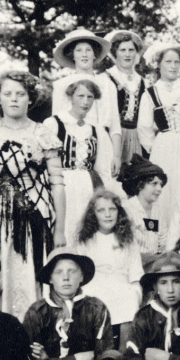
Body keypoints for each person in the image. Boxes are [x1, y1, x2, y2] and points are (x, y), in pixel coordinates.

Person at [0, 71, 67, 318]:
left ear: (30, 99)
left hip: (36, 219)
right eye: (7, 94)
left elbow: (58, 184)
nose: (14, 99)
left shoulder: (42, 133)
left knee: (33, 277)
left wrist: (60, 229)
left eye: (21, 94)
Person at [23, 249, 120, 360]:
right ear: (50, 278)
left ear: (82, 277)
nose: (66, 277)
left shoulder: (96, 308)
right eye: (58, 272)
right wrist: (76, 358)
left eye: (72, 271)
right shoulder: (37, 312)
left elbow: (102, 354)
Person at [137, 42, 180, 225]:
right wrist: (157, 147)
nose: (173, 66)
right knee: (163, 191)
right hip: (163, 146)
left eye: (177, 62)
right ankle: (163, 241)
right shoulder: (150, 93)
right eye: (168, 61)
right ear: (159, 65)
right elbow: (144, 127)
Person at [44, 78, 117, 246]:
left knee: (86, 230)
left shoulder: (97, 129)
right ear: (71, 97)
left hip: (88, 186)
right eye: (80, 96)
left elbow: (104, 168)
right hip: (61, 186)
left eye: (90, 97)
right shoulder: (53, 124)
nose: (85, 102)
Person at [74, 190, 143, 345]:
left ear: (119, 212)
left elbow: (136, 274)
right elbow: (80, 274)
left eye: (112, 209)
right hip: (94, 285)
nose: (107, 214)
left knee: (129, 297)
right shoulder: (85, 241)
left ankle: (126, 352)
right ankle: (102, 352)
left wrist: (136, 292)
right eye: (101, 210)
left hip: (122, 287)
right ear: (93, 215)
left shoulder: (128, 241)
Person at [51, 29, 119, 177]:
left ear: (94, 54)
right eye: (79, 50)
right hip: (73, 145)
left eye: (88, 50)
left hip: (103, 144)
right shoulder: (62, 85)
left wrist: (117, 156)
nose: (84, 54)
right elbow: (56, 124)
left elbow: (115, 124)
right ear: (72, 55)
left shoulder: (106, 84)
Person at [102, 29, 146, 167]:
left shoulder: (144, 82)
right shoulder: (106, 78)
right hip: (113, 136)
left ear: (136, 53)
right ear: (115, 53)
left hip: (137, 138)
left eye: (131, 50)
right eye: (123, 50)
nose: (127, 54)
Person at [120, 154, 168, 257]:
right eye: (154, 184)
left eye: (160, 184)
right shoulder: (127, 209)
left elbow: (163, 243)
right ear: (140, 185)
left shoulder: (157, 211)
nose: (159, 189)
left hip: (154, 264)